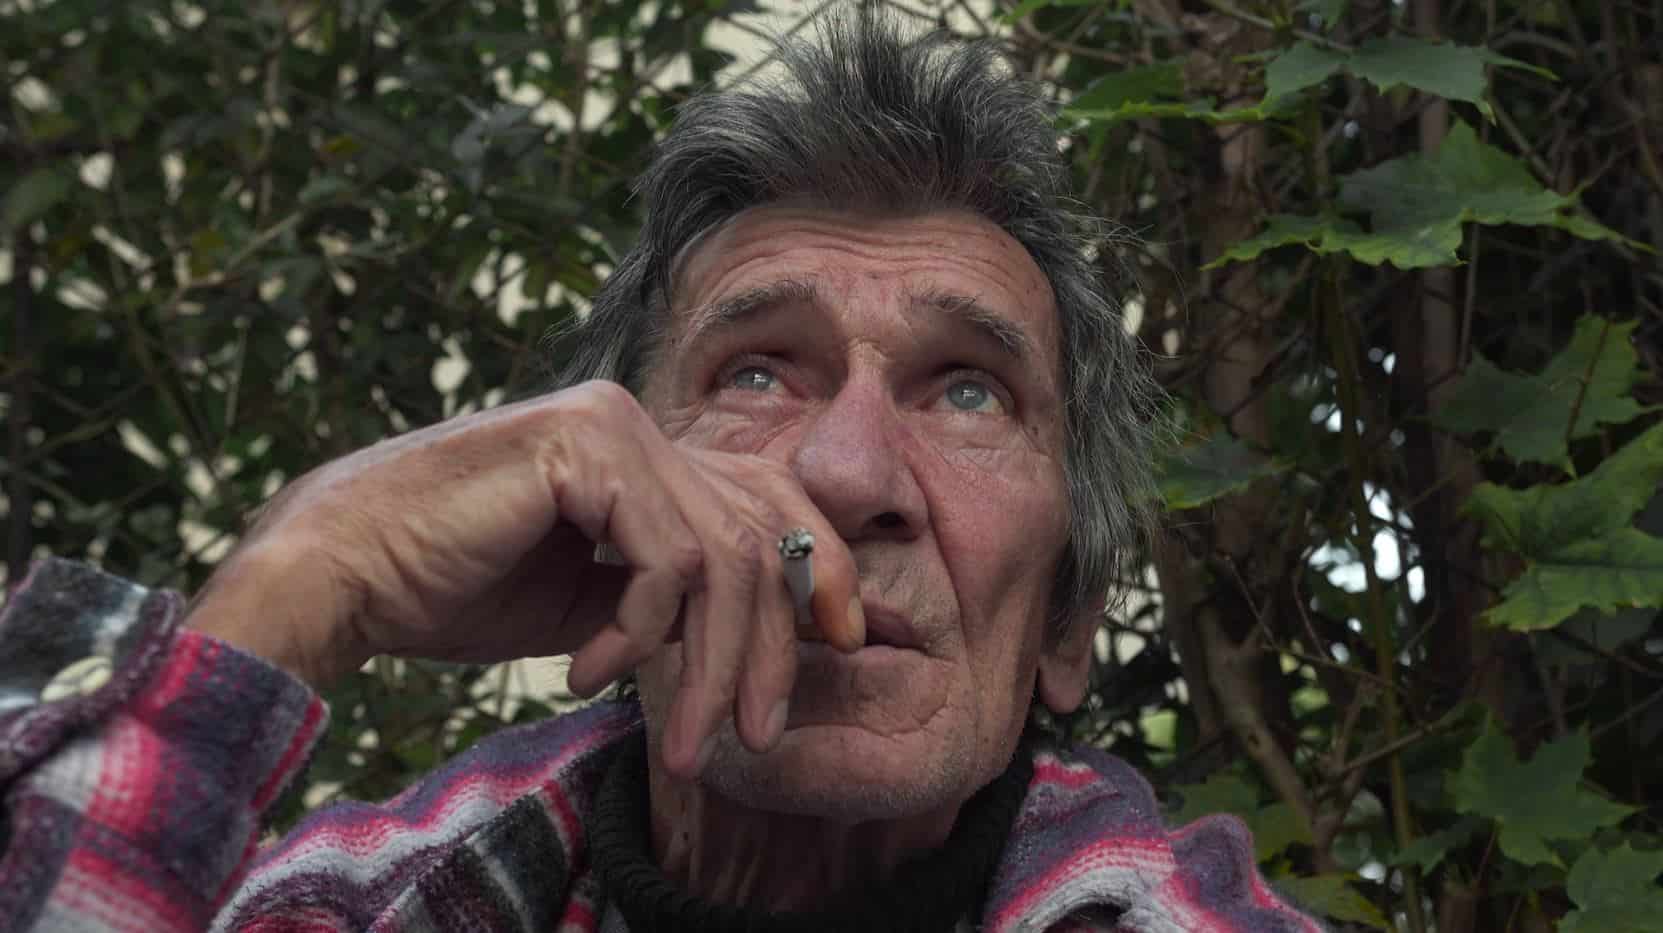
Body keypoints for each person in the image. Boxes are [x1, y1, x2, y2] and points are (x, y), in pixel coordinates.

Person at [0, 13, 1321, 932]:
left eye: (968, 390)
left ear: (1067, 622)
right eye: (756, 373)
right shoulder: (355, 905)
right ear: (609, 506)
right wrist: (308, 572)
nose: (848, 473)